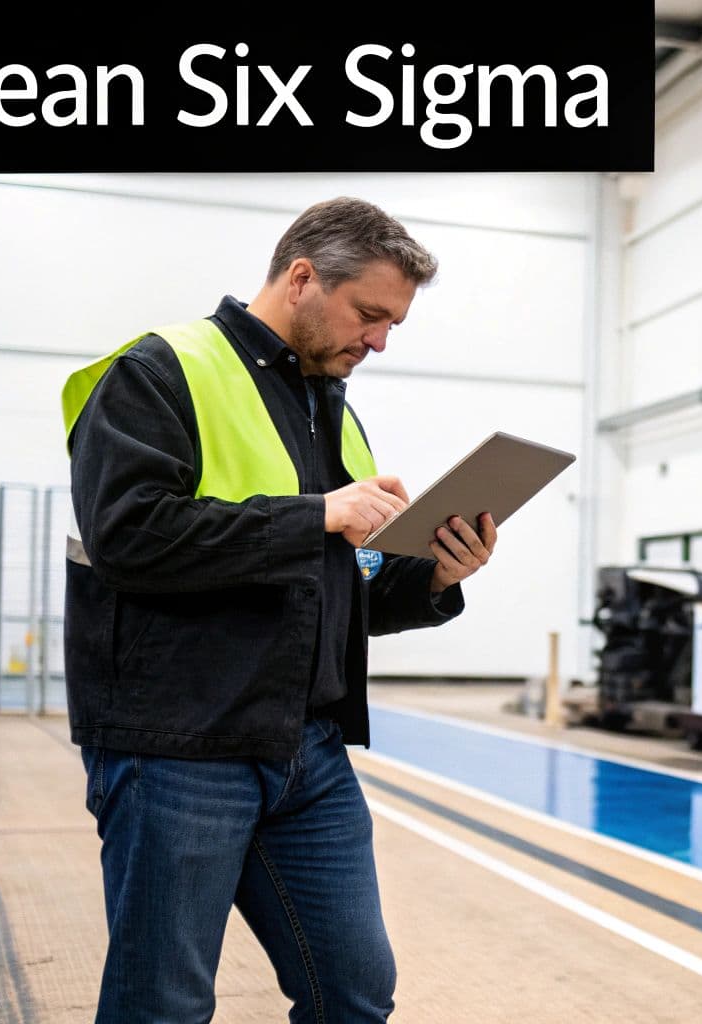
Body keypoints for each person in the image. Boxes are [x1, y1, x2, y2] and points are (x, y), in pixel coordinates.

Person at [62, 197, 496, 1022]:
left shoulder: (328, 403)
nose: (379, 341)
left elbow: (341, 586)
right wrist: (318, 514)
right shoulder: (158, 372)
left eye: (393, 324)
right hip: (180, 750)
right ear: (301, 278)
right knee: (163, 1005)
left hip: (308, 753)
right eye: (369, 314)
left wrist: (436, 576)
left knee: (354, 995)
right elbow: (128, 536)